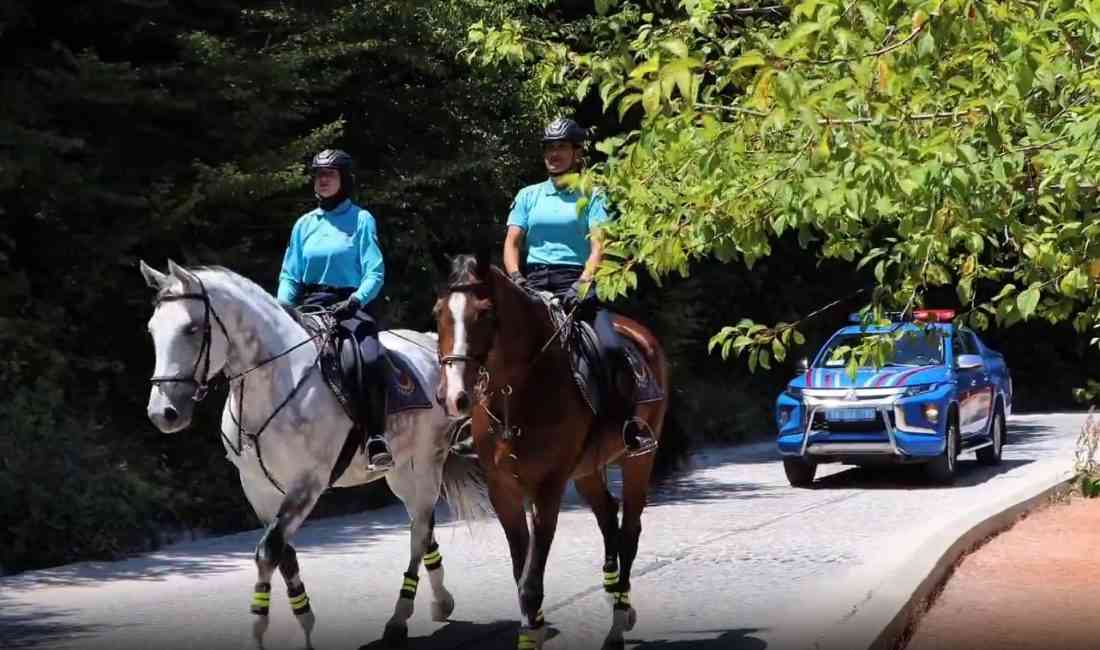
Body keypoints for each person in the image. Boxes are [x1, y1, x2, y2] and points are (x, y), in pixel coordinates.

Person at [501, 117, 657, 456]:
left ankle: (628, 424)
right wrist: (515, 278)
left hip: (578, 282)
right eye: (549, 148)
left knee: (611, 348)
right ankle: (479, 426)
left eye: (561, 147)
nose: (554, 154)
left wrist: (584, 282)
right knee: (490, 344)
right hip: (532, 285)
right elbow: (513, 242)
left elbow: (600, 245)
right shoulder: (528, 196)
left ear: (577, 152)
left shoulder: (593, 194)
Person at [277, 148, 393, 470]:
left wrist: (356, 299)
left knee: (367, 357)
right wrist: (282, 307)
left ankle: (375, 438)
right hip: (308, 306)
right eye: (318, 175)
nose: (323, 180)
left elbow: (375, 271)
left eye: (330, 174)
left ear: (344, 179)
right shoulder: (303, 225)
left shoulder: (361, 219)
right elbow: (290, 273)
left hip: (350, 306)